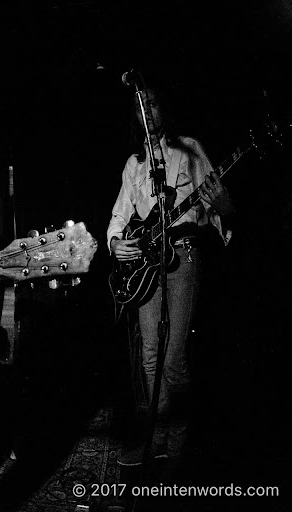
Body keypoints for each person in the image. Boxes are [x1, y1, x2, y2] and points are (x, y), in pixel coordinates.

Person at [106, 87, 236, 473]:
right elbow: (118, 214)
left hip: (184, 256)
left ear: (164, 107)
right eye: (139, 105)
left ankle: (177, 449)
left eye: (153, 101)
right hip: (147, 263)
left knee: (174, 361)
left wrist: (226, 208)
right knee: (149, 357)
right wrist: (116, 243)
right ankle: (155, 442)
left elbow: (217, 205)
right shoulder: (134, 163)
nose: (147, 110)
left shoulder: (189, 149)